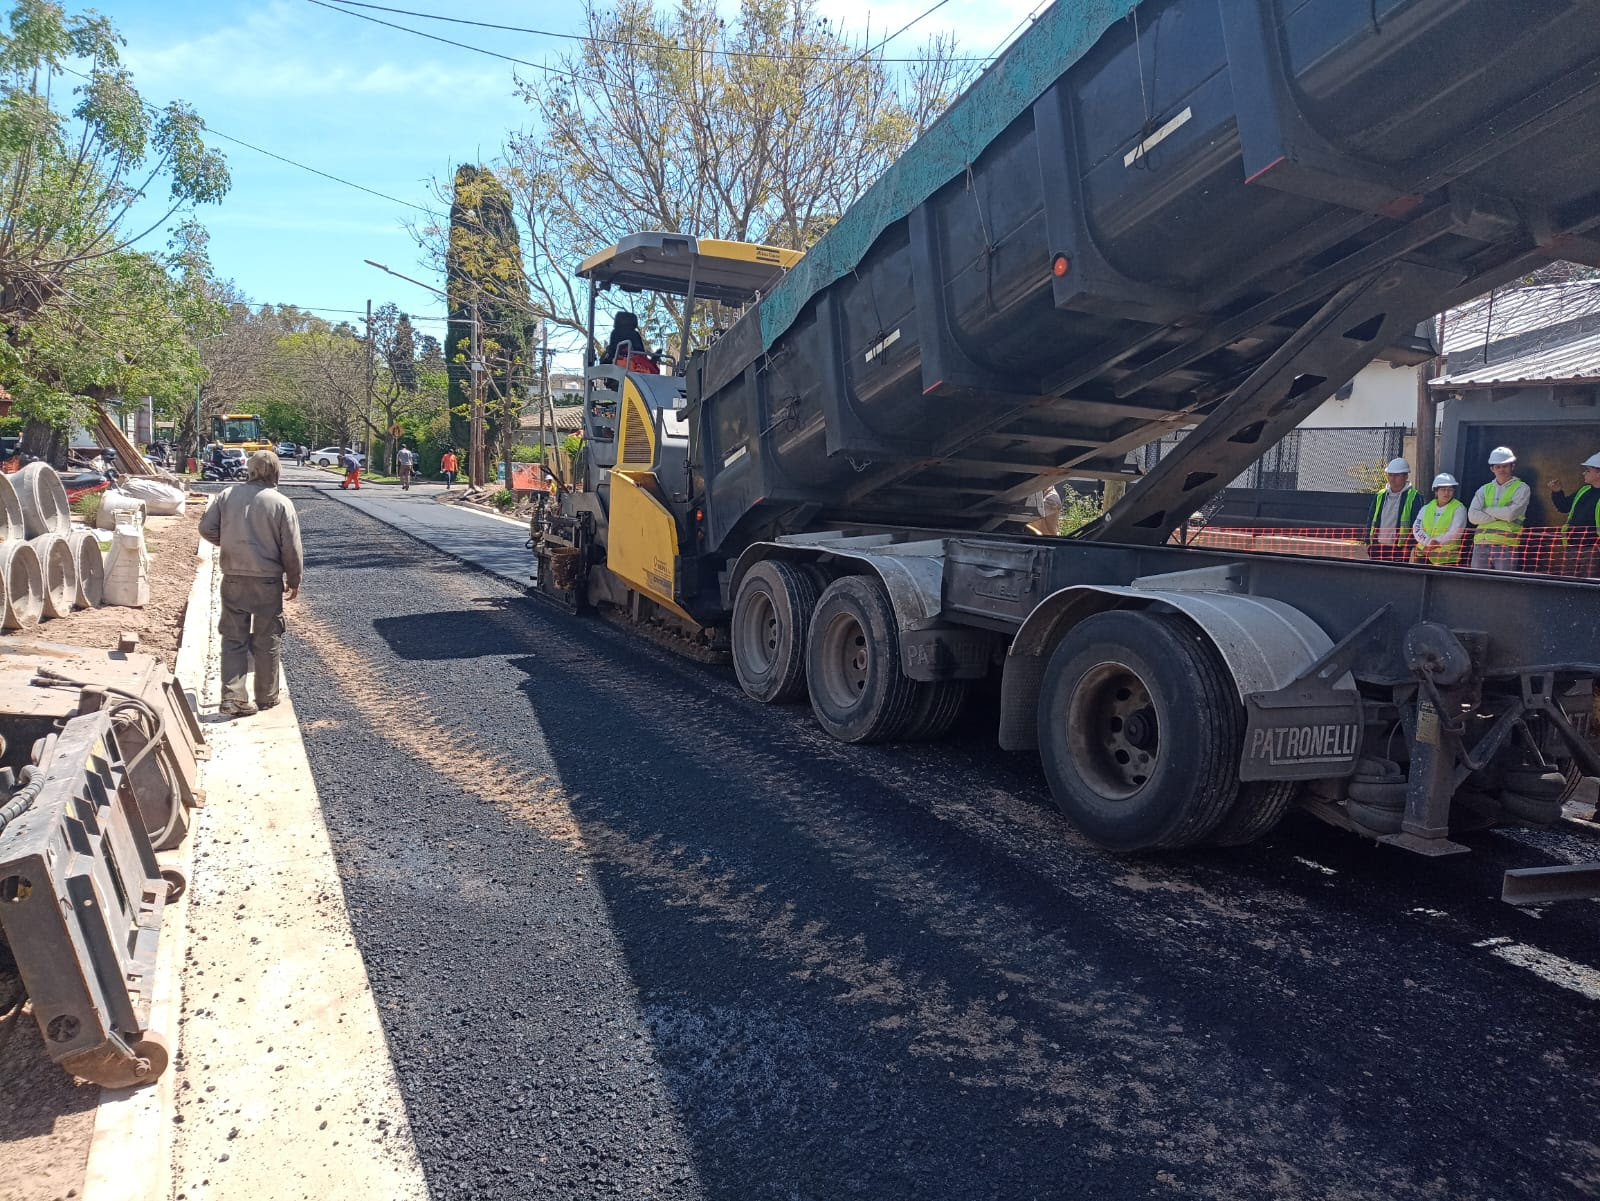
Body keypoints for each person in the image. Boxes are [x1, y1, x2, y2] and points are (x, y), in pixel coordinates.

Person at [198, 450, 303, 717]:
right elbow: (291, 548)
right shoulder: (280, 503)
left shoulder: (227, 495)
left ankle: (233, 698)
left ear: (250, 469)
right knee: (268, 637)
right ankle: (266, 696)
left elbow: (206, 528)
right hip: (267, 582)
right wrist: (294, 579)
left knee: (233, 638)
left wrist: (230, 543)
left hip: (233, 578)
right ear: (276, 472)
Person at [1468, 446, 1530, 571]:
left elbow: (1511, 514)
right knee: (1477, 584)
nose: (1501, 469)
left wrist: (1485, 510)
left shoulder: (1522, 488)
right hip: (1481, 544)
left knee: (1503, 585)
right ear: (1492, 469)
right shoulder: (1484, 489)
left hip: (1506, 545)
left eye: (1505, 466)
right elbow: (1472, 516)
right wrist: (1500, 514)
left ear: (1512, 466)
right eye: (1498, 466)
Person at [1549, 451, 1600, 577]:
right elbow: (1565, 507)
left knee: (1589, 585)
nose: (1584, 473)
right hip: (1573, 546)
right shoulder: (1584, 490)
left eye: (1588, 470)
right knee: (1568, 582)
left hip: (1593, 549)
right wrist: (1557, 492)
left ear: (1599, 472)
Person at [1367, 457, 1419, 562]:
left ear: (1405, 476)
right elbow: (1371, 518)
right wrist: (1368, 541)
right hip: (1378, 546)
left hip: (1399, 548)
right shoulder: (1380, 495)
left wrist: (1409, 546)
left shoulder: (1414, 497)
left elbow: (1417, 524)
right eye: (1390, 475)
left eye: (1396, 475)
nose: (1392, 478)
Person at [1410, 473, 1467, 566]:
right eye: (1443, 489)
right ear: (1436, 491)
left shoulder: (1459, 508)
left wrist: (1436, 542)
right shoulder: (1426, 508)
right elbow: (1417, 527)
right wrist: (1428, 542)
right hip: (1423, 556)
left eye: (1450, 490)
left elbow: (1455, 532)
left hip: (1446, 560)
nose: (1446, 493)